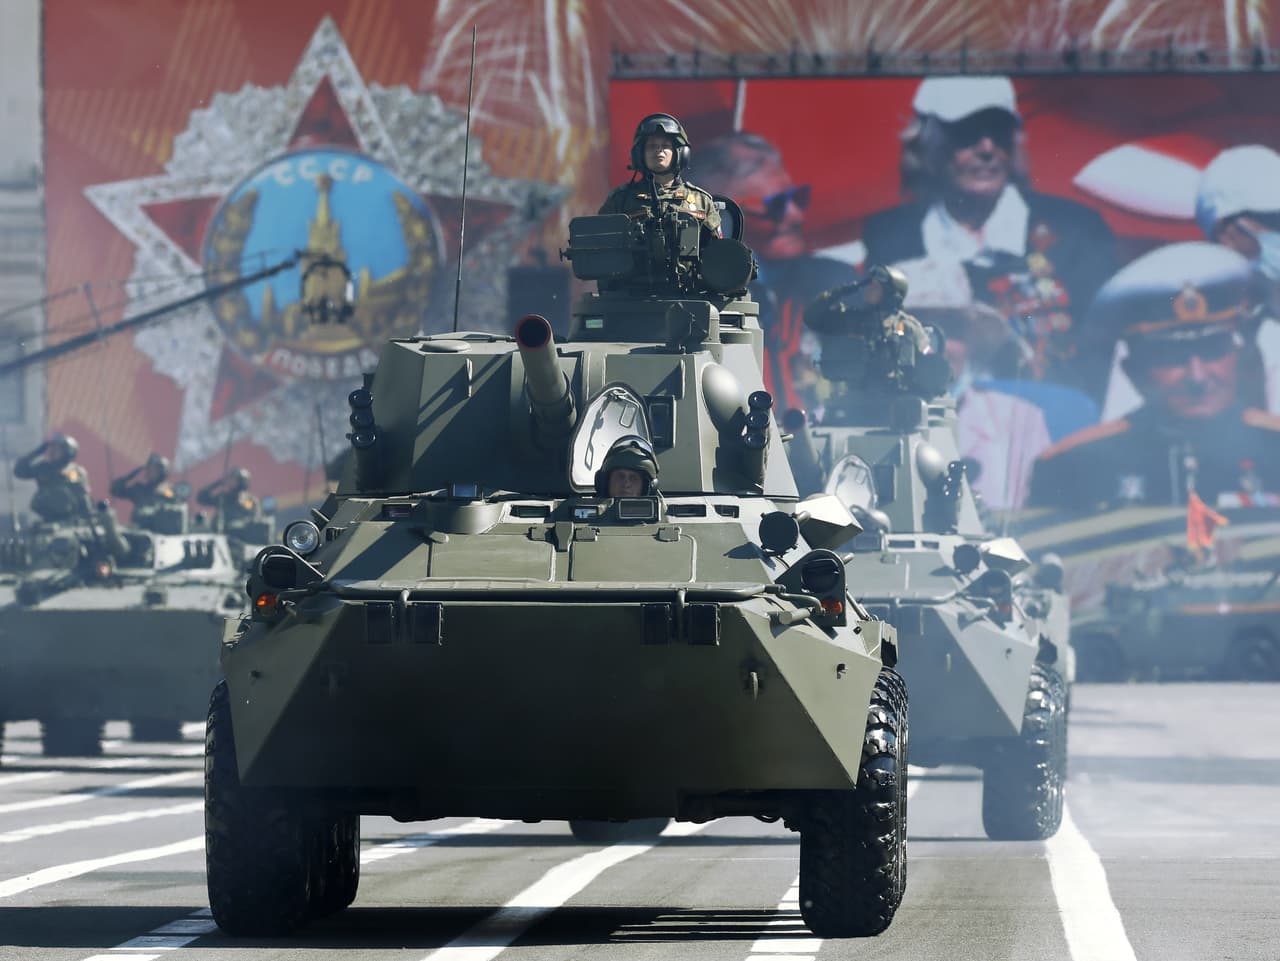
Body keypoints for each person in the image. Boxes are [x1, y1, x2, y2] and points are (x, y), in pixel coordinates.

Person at [853, 76, 1118, 393]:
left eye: (999, 133)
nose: (987, 149)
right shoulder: (891, 238)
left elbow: (1101, 353)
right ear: (929, 145)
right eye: (967, 135)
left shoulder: (1076, 231)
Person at [1028, 242, 1280, 509]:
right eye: (1173, 357)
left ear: (1238, 356)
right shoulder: (1076, 464)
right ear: (1134, 372)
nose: (1197, 377)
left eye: (1212, 351)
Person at [697, 131, 856, 413]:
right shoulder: (690, 300)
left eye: (798, 198)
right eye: (776, 206)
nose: (797, 216)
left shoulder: (834, 284)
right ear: (722, 217)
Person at [600, 113, 721, 237]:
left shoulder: (701, 201)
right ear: (639, 154)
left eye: (666, 145)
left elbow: (717, 247)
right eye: (652, 146)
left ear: (681, 153)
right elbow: (599, 243)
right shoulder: (620, 200)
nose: (659, 150)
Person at [13, 433, 94, 523]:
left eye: (57, 449)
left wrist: (88, 516)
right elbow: (19, 472)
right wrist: (37, 452)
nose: (52, 452)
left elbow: (82, 493)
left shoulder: (74, 471)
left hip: (71, 517)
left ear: (67, 452)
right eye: (51, 449)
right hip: (48, 516)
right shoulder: (44, 468)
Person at [593, 435, 659, 498]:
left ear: (648, 486)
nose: (626, 484)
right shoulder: (589, 506)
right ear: (604, 482)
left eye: (633, 478)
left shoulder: (661, 506)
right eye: (620, 477)